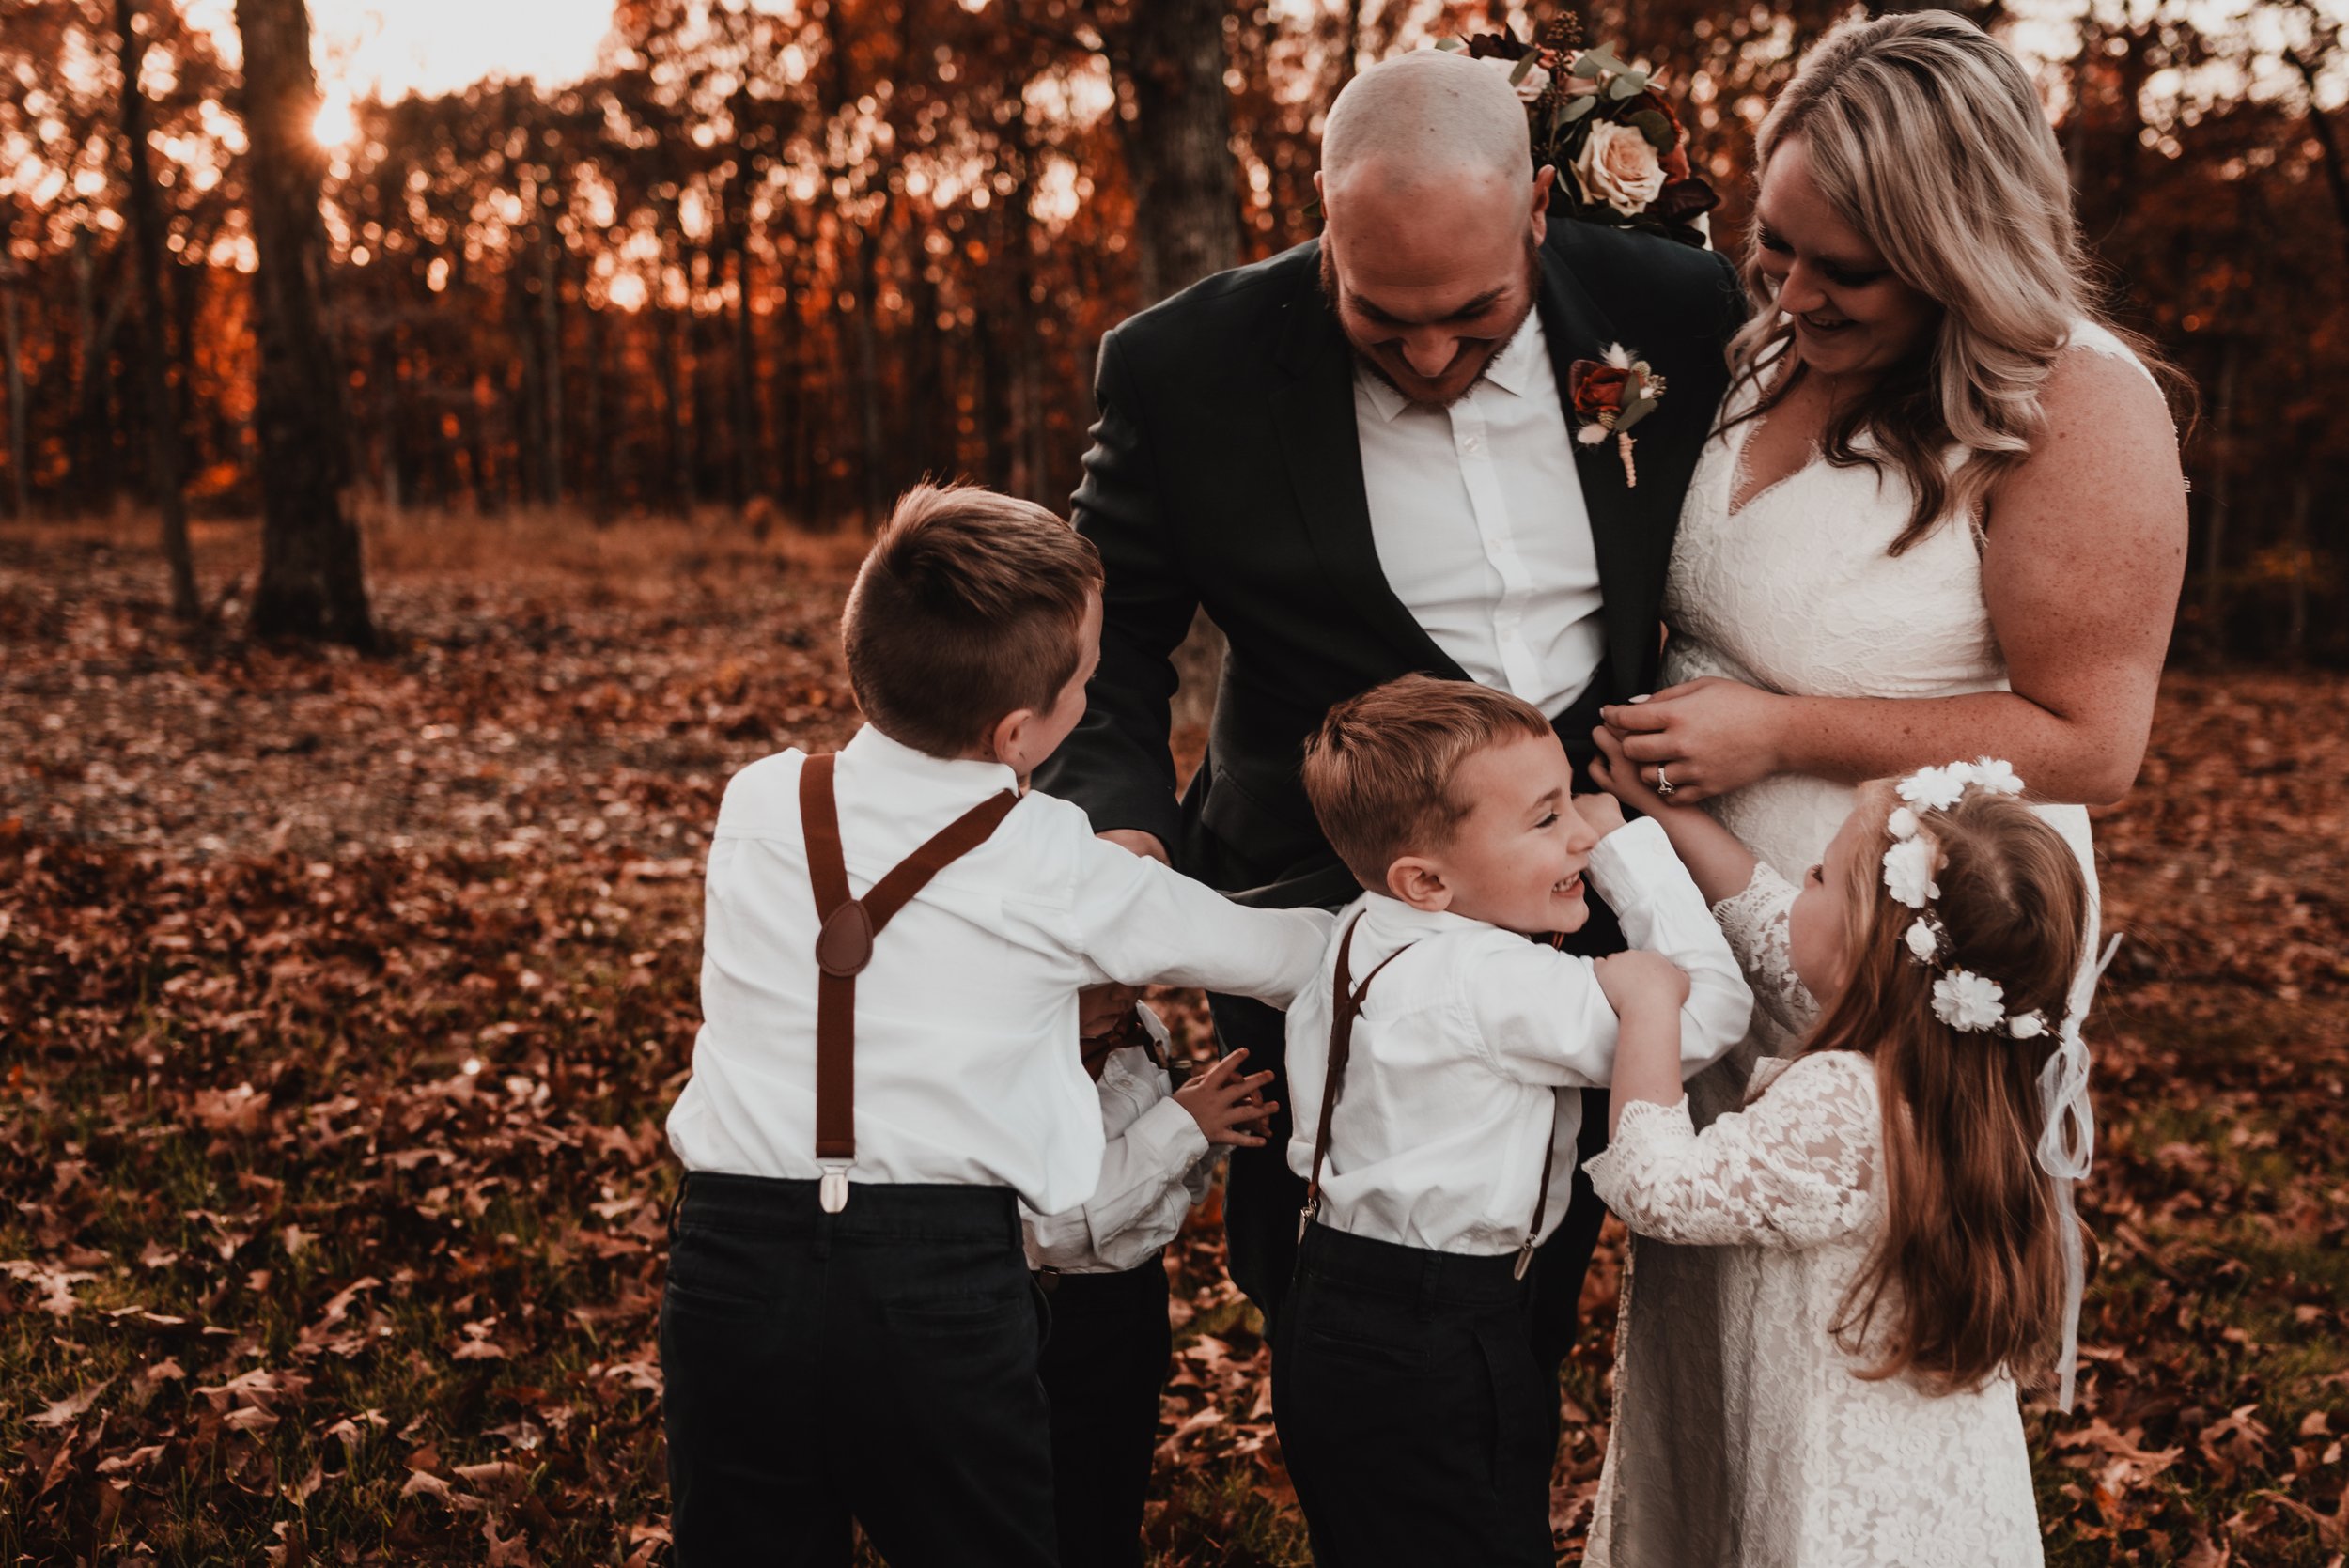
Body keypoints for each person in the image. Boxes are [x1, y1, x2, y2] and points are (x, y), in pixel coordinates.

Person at [1034, 45, 1747, 1383]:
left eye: (1474, 319)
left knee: (1525, 1269)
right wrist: (1117, 840)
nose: (1428, 356)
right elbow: (1107, 648)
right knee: (1323, 1274)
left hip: (1562, 876)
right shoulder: (1182, 368)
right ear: (1324, 224)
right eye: (1382, 317)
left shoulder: (1677, 303)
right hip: (1314, 899)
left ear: (1542, 208)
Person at [1589, 13, 2186, 1557]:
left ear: (1957, 248)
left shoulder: (2078, 400)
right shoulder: (1770, 338)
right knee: (1713, 1314)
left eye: (1840, 268)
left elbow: (2092, 738)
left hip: (1902, 960)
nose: (1788, 291)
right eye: (1776, 246)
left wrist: (1781, 734)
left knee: (1837, 1364)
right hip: (1732, 906)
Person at [657, 482, 1331, 1567]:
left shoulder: (760, 800)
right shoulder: (1059, 862)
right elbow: (1287, 954)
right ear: (1022, 730)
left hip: (730, 1262)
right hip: (937, 1281)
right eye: (1089, 673)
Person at [1270, 676, 1750, 1567]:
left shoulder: (1358, 930)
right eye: (1545, 818)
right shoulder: (1492, 982)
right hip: (1439, 1334)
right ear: (1428, 879)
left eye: (1573, 800)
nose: (1576, 827)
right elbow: (1709, 1012)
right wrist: (1625, 852)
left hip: (1325, 1305)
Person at [1586, 742, 2099, 1567]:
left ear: (1866, 946)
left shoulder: (1846, 1100)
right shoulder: (1966, 1071)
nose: (1801, 886)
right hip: (1934, 1477)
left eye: (1819, 876)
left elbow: (1659, 1189)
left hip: (1832, 1475)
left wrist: (1649, 1001)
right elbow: (1770, 923)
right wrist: (1665, 821)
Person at [1022, 1004, 1273, 1568]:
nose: (1127, 987)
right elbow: (1050, 1229)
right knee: (1062, 1516)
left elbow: (1171, 1195)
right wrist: (1179, 1127)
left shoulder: (1141, 1025)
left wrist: (1209, 1132)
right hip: (1052, 1318)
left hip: (1134, 1299)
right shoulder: (1025, 1038)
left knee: (1118, 1496)